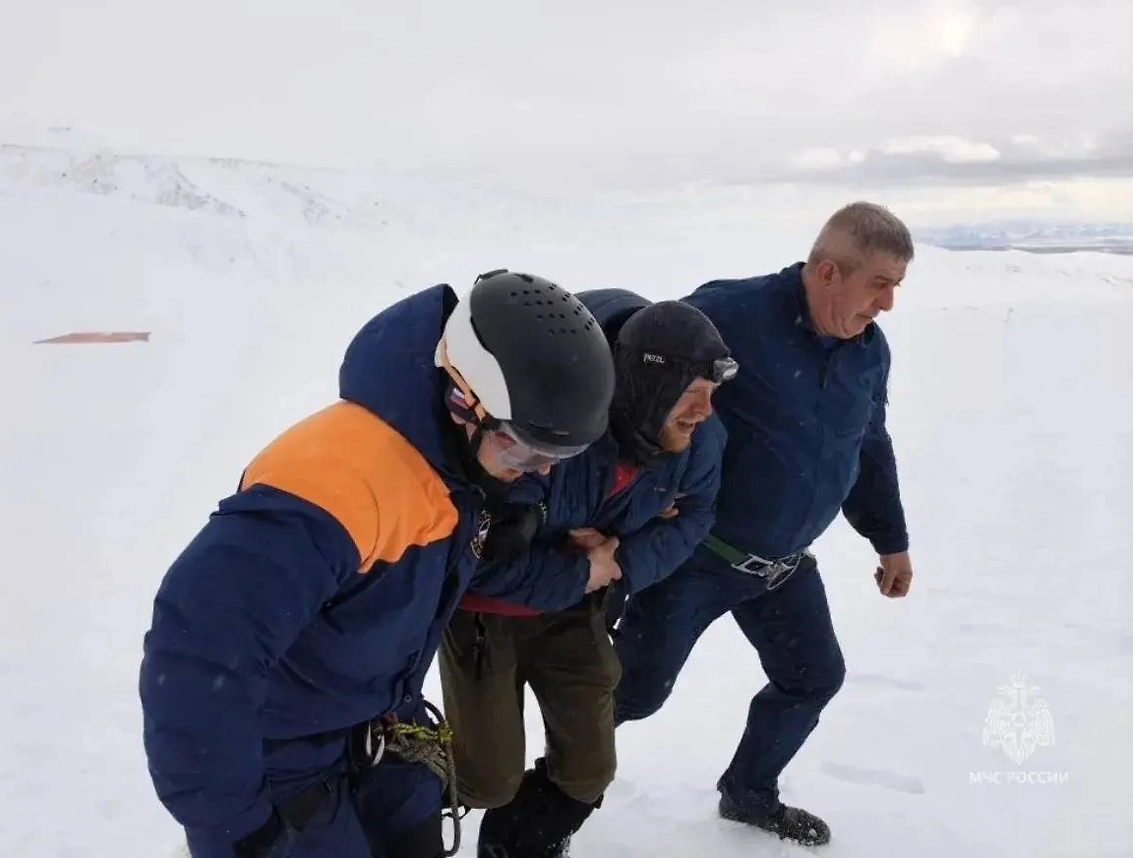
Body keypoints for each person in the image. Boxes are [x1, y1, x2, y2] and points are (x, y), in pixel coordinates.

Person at [137, 269, 617, 858]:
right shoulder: (333, 487)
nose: (540, 470)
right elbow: (198, 650)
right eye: (524, 449)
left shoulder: (459, 469)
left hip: (378, 738)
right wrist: (236, 829)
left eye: (558, 456)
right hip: (282, 766)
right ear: (462, 400)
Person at [611, 201, 916, 847]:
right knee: (633, 694)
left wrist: (890, 540)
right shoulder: (732, 315)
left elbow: (868, 445)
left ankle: (749, 793)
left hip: (782, 565)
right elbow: (639, 376)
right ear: (829, 272)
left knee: (812, 678)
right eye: (879, 284)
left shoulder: (868, 351)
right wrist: (635, 490)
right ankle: (543, 786)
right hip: (696, 555)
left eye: (895, 286)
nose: (887, 304)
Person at [437, 289, 735, 858]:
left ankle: (518, 844)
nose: (705, 411)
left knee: (588, 772)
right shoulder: (552, 420)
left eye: (711, 393)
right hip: (486, 617)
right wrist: (579, 569)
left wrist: (618, 562)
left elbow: (699, 511)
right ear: (649, 387)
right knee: (484, 779)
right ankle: (386, 786)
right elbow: (476, 560)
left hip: (578, 607)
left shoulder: (695, 442)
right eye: (692, 393)